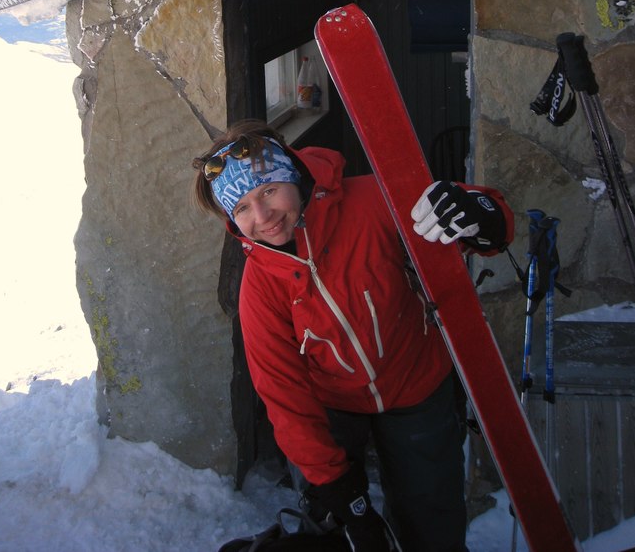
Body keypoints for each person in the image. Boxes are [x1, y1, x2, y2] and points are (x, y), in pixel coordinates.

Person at [193, 119, 513, 552]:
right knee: (336, 525)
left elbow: (483, 216)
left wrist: (481, 215)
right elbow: (282, 392)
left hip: (415, 383)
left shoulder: (370, 201)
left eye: (269, 191)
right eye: (243, 208)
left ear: (292, 176)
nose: (262, 217)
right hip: (331, 405)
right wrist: (335, 487)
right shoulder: (260, 285)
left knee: (432, 520)